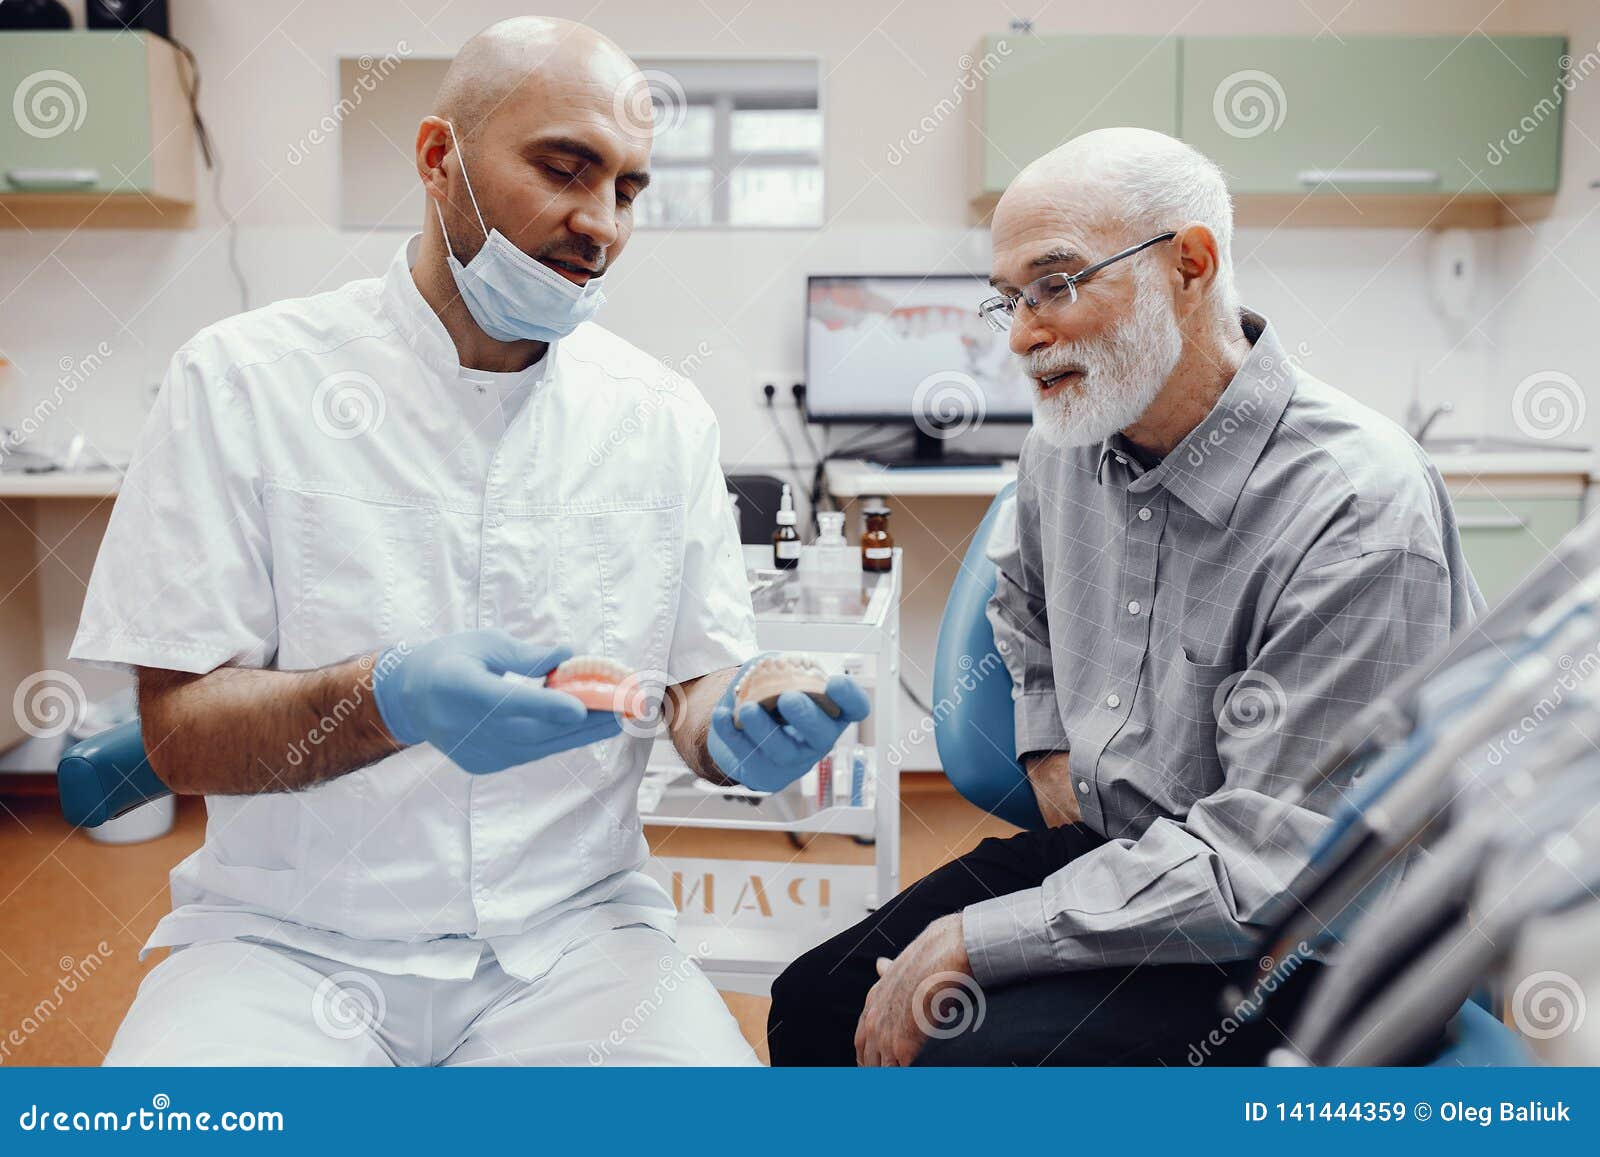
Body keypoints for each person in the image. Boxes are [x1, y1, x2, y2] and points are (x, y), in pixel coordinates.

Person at [72, 16, 866, 1067]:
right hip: (283, 945)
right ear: (438, 157)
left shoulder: (660, 417)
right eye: (564, 167)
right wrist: (384, 696)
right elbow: (177, 734)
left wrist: (744, 718)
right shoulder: (242, 381)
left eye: (628, 188)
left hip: (578, 943)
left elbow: (694, 687)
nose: (601, 223)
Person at [767, 127, 1481, 1067]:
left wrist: (978, 939)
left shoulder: (1356, 506)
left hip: (1317, 930)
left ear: (1190, 262)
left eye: (1056, 284)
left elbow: (1272, 865)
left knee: (958, 1055)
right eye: (1008, 301)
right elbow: (1018, 594)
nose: (1022, 334)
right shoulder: (1066, 438)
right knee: (815, 999)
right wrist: (1047, 737)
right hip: (1136, 854)